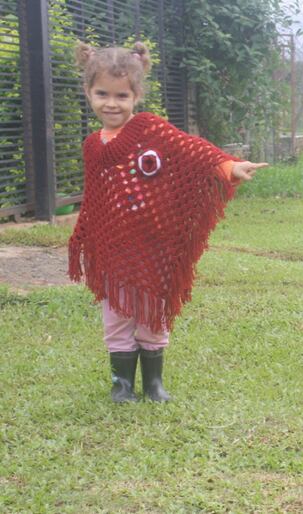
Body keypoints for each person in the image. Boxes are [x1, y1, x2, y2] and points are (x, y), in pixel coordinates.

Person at [68, 41, 268, 403]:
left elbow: (191, 150)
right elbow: (95, 198)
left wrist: (228, 167)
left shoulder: (150, 129)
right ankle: (122, 384)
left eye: (121, 95)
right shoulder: (92, 146)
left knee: (153, 315)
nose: (111, 103)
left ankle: (154, 383)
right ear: (88, 92)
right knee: (116, 316)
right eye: (102, 94)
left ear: (136, 95)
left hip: (153, 245)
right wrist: (88, 235)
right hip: (113, 248)